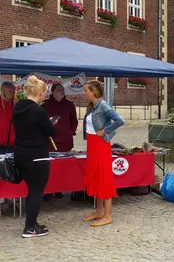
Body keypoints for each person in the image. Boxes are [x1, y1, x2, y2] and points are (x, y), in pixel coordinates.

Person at [13, 75, 57, 238]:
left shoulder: (17, 109)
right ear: (39, 94)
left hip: (21, 154)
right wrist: (50, 123)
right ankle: (30, 228)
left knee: (32, 191)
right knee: (36, 192)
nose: (45, 96)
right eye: (44, 93)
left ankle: (32, 223)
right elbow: (50, 131)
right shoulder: (38, 111)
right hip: (37, 155)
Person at [82, 80, 124, 227]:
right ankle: (99, 211)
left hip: (100, 145)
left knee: (104, 177)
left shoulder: (103, 105)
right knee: (96, 176)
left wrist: (105, 131)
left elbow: (120, 120)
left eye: (86, 90)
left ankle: (108, 215)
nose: (84, 92)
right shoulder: (93, 106)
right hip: (92, 145)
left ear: (93, 91)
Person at [42, 84, 78, 200]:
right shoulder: (45, 106)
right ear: (53, 92)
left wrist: (70, 132)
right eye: (59, 90)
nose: (62, 92)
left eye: (62, 90)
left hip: (65, 142)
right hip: (50, 143)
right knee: (50, 168)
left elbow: (74, 121)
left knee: (62, 168)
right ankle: (47, 191)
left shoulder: (69, 105)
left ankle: (58, 189)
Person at [0, 81, 16, 154]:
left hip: (12, 143)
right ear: (3, 91)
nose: (12, 93)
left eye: (13, 91)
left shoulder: (15, 104)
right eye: (9, 91)